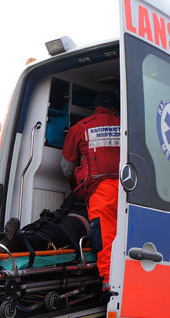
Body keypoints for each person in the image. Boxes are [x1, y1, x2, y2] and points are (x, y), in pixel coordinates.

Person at [60, 91, 121, 287]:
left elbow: (66, 167)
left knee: (104, 236)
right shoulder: (129, 125)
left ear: (95, 108)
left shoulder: (81, 128)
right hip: (132, 188)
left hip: (101, 191)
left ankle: (111, 283)